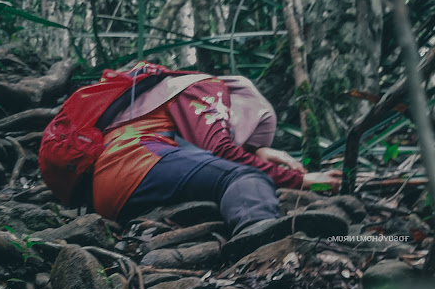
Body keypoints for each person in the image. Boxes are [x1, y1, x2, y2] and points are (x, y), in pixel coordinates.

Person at [86, 65, 345, 260]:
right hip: (139, 161)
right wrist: (301, 180)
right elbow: (222, 149)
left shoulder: (164, 95)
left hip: (109, 188)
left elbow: (207, 152)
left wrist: (258, 151)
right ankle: (258, 236)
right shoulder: (209, 86)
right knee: (245, 178)